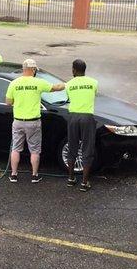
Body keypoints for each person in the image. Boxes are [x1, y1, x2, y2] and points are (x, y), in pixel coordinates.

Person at [5, 59, 65, 183]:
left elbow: (8, 102)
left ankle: (14, 175)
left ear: (23, 69)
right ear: (33, 70)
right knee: (35, 150)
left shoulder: (14, 83)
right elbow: (56, 88)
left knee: (16, 148)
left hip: (18, 121)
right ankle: (34, 175)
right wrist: (70, 84)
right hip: (33, 122)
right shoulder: (38, 82)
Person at [65, 59, 98, 192]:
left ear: (73, 70)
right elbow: (94, 94)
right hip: (87, 117)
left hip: (73, 117)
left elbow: (69, 97)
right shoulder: (93, 82)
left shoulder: (69, 84)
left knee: (72, 146)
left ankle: (71, 178)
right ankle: (84, 182)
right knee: (87, 148)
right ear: (85, 69)